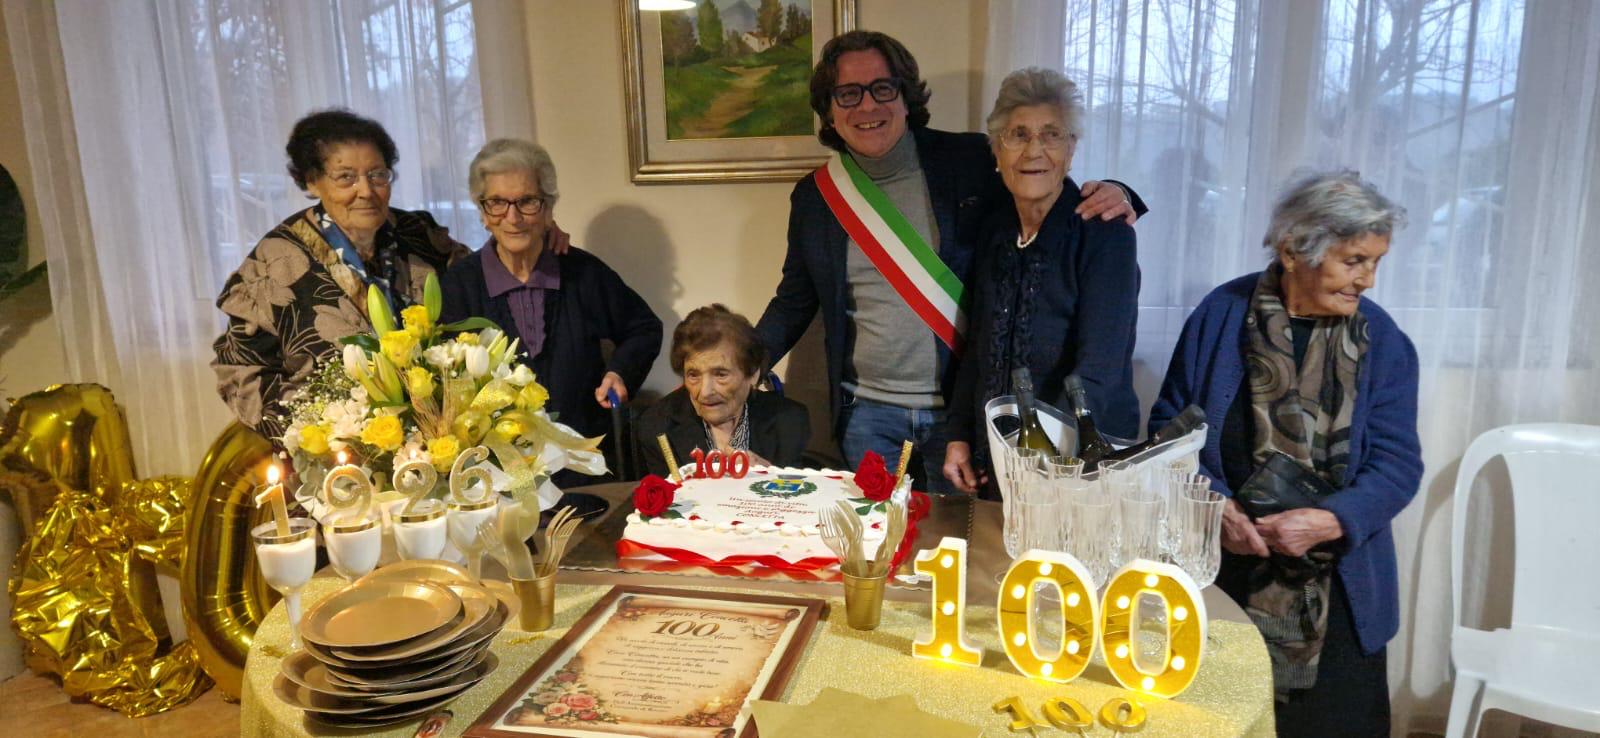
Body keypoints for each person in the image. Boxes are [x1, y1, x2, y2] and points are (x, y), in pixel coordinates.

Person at [754, 31, 1145, 494]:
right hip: (868, 417)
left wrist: (1121, 193)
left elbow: (1042, 181)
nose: (867, 106)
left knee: (964, 536)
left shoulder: (970, 158)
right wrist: (741, 365)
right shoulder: (815, 198)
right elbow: (794, 299)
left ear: (905, 96)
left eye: (883, 88)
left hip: (960, 415)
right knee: (880, 536)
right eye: (848, 94)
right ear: (830, 109)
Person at [1147, 171, 1421, 737]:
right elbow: (1169, 433)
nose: (1368, 279)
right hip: (1223, 576)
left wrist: (1331, 521)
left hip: (1337, 590)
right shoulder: (1220, 315)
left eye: (1375, 262)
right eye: (1354, 261)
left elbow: (1397, 465)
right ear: (1295, 250)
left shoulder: (1383, 340)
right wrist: (1214, 507)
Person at [942, 68, 1140, 494]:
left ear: (1071, 149)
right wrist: (959, 433)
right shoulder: (994, 231)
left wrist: (1045, 464)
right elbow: (978, 348)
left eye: (1051, 135)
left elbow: (1100, 369)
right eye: (1018, 135)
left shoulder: (1106, 234)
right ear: (997, 150)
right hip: (997, 459)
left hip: (1075, 463)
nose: (1034, 151)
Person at [212, 109, 469, 439]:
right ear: (312, 181)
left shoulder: (419, 235)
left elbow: (478, 287)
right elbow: (238, 367)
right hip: (335, 447)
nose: (366, 191)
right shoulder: (276, 259)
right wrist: (302, 431)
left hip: (439, 434)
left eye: (377, 175)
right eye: (346, 177)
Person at [439, 138, 662, 461]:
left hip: (585, 462)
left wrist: (620, 372)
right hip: (499, 469)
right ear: (483, 212)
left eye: (527, 201)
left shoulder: (583, 273)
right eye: (497, 202)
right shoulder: (459, 286)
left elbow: (644, 328)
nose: (513, 217)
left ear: (548, 209)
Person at [636, 305, 811, 479]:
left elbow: (803, 491)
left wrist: (770, 476)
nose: (705, 392)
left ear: (753, 374)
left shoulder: (790, 422)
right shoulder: (657, 426)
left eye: (720, 374)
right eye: (693, 375)